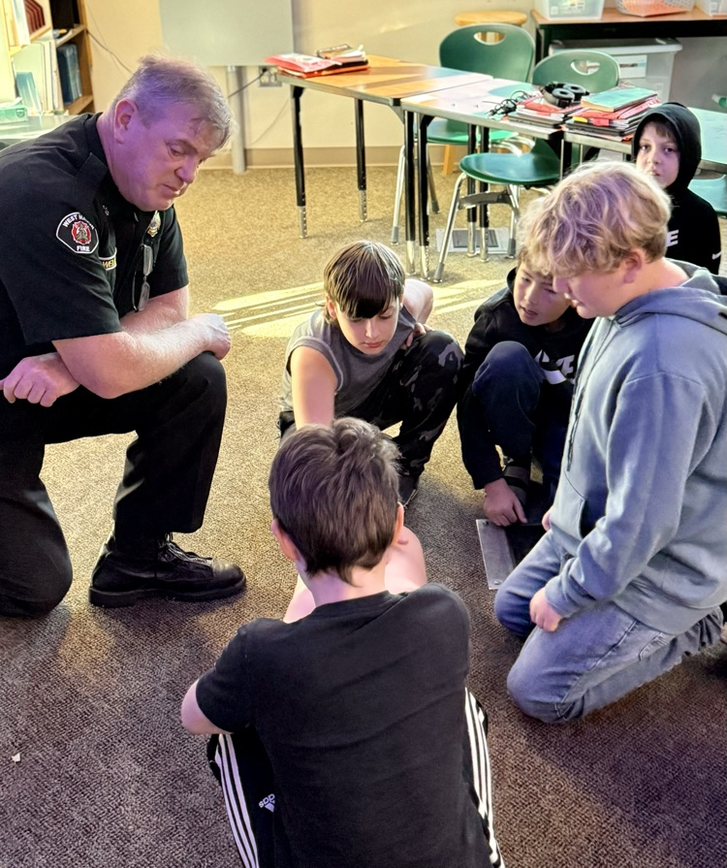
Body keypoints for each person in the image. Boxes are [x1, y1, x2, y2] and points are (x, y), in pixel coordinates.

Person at [181, 418, 503, 868]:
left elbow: (193, 716)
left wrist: (295, 629)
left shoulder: (260, 652)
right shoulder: (445, 612)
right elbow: (402, 611)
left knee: (230, 732)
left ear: (282, 539)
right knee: (461, 703)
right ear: (398, 526)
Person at [0, 53, 246, 617]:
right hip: (4, 393)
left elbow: (168, 304)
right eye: (179, 149)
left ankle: (137, 558)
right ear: (127, 117)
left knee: (196, 377)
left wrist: (70, 365)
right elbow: (118, 369)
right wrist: (200, 329)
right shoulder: (44, 193)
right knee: (35, 587)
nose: (189, 174)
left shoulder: (149, 188)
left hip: (44, 380)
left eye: (200, 158)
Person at [493, 161, 727, 723]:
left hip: (665, 566)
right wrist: (569, 507)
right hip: (602, 526)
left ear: (629, 263)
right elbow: (594, 429)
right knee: (512, 611)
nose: (562, 289)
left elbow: (641, 523)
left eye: (572, 276)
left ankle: (705, 619)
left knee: (538, 693)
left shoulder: (663, 366)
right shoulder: (622, 297)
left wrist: (568, 595)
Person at [278, 240, 463, 506]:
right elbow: (315, 447)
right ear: (332, 307)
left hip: (372, 396)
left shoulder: (405, 304)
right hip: (316, 419)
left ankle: (405, 466)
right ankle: (370, 453)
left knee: (443, 349)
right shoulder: (313, 352)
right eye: (356, 319)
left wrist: (412, 326)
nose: (371, 334)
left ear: (398, 301)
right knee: (311, 497)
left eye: (384, 316)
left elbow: (426, 293)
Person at [457, 250, 592, 527]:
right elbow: (468, 402)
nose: (529, 299)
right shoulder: (497, 319)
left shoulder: (595, 316)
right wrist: (492, 482)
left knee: (575, 511)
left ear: (574, 292)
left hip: (571, 421)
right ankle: (517, 456)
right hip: (518, 413)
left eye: (550, 291)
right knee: (507, 359)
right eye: (525, 279)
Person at [632, 101, 722, 272]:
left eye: (668, 149)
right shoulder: (616, 205)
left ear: (688, 157)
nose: (653, 158)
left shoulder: (701, 215)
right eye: (645, 147)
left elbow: (708, 285)